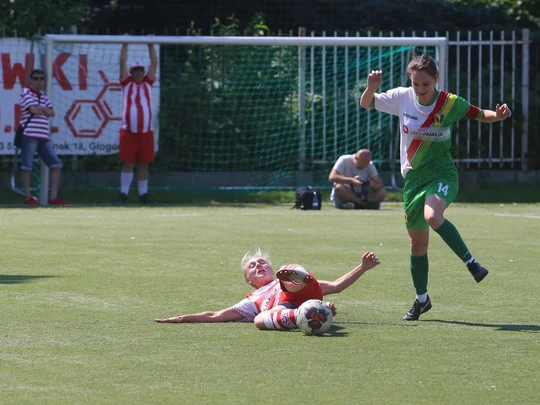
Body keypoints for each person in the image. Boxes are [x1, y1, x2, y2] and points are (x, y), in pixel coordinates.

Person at [360, 53, 512, 321]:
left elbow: (480, 114)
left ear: (436, 80)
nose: (420, 90)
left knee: (433, 216)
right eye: (416, 84)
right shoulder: (401, 97)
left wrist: (498, 116)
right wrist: (371, 87)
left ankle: (471, 263)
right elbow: (366, 103)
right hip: (413, 179)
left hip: (442, 174)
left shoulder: (449, 103)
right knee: (417, 247)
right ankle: (422, 300)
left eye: (425, 84)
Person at [155, 250, 380, 331]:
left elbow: (337, 286)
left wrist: (362, 267)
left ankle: (298, 279)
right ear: (248, 281)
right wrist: (182, 318)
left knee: (289, 273)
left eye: (262, 263)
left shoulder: (276, 281)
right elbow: (216, 316)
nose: (259, 266)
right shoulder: (252, 299)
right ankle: (311, 313)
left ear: (270, 270)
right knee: (259, 320)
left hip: (299, 291)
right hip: (284, 310)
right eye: (252, 266)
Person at [117, 42, 158, 204]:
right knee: (128, 162)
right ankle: (123, 194)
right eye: (136, 70)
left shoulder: (148, 83)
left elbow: (154, 63)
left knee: (144, 163)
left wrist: (150, 45)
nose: (139, 73)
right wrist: (125, 45)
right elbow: (122, 63)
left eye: (141, 70)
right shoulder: (126, 84)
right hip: (129, 131)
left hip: (146, 132)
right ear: (132, 73)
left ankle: (143, 194)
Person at [19, 69, 67, 206]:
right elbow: (33, 110)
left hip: (44, 136)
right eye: (36, 78)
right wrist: (42, 110)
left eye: (41, 79)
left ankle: (54, 197)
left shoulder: (43, 96)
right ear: (31, 79)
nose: (38, 81)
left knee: (57, 164)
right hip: (29, 134)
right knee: (26, 167)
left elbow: (52, 112)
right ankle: (28, 196)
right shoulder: (25, 93)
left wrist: (40, 109)